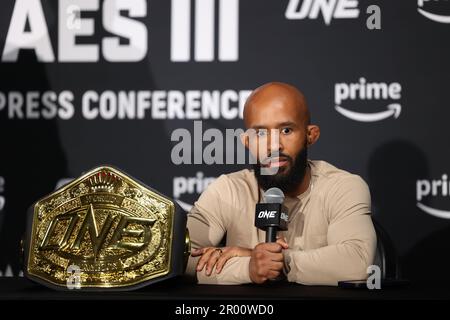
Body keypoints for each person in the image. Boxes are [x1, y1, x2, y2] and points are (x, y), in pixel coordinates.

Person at [185, 82, 376, 285]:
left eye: (286, 130)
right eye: (260, 133)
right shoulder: (227, 190)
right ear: (247, 142)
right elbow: (177, 258)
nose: (273, 145)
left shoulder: (343, 187)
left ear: (310, 135)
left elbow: (357, 263)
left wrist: (278, 261)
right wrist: (249, 267)